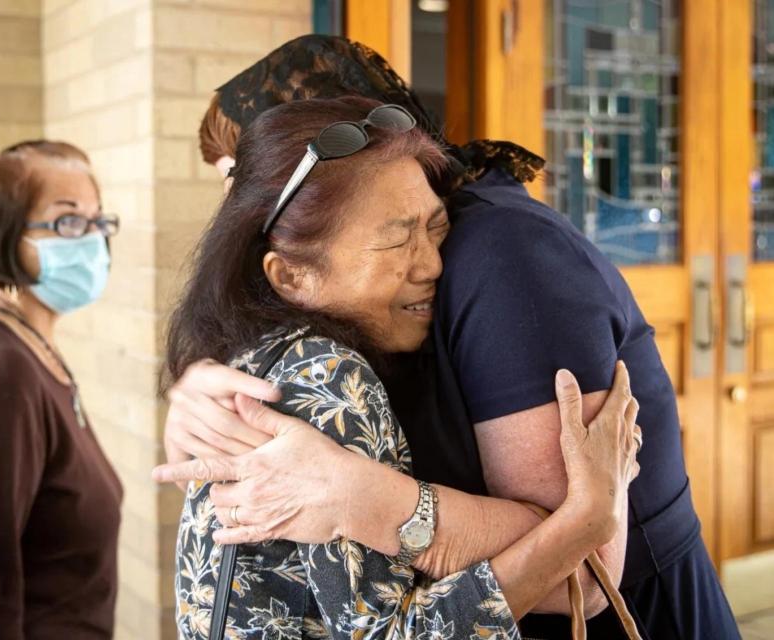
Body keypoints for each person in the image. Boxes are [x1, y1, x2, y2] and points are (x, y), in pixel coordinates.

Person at [155, 36, 740, 639]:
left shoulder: (502, 252)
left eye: (240, 173)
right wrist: (204, 405)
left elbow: (583, 580)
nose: (235, 207)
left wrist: (371, 499)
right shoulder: (311, 346)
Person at [0, 140, 123, 639]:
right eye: (68, 221)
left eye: (98, 221)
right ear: (4, 235)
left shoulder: (29, 347)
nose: (92, 239)